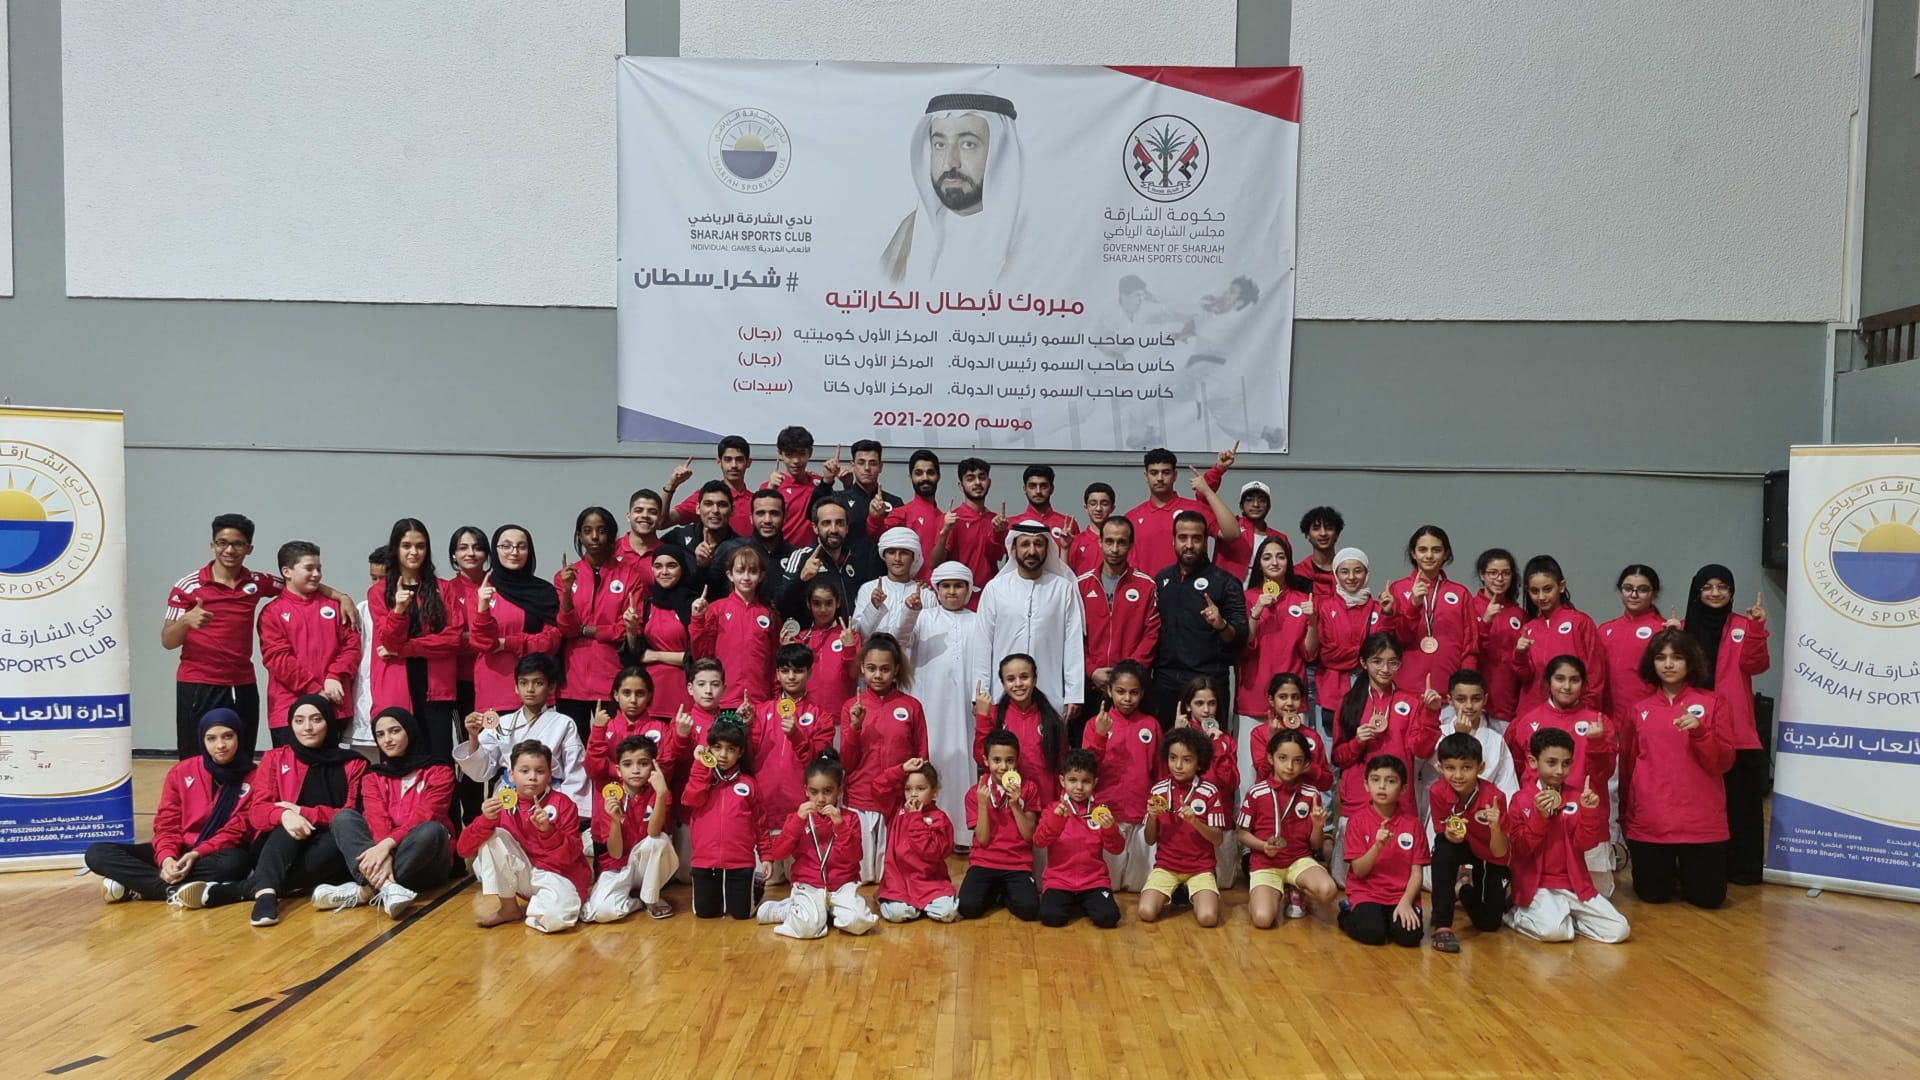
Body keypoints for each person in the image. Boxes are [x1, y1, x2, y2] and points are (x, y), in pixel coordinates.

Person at [165, 513, 352, 757]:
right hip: (199, 682)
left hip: (243, 682)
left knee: (243, 753)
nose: (229, 550)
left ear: (249, 548)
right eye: (222, 543)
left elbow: (299, 582)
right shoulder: (188, 586)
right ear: (212, 545)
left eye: (237, 544)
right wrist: (186, 621)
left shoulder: (257, 581)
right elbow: (167, 640)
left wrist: (342, 597)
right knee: (196, 755)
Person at [179, 696, 365, 927]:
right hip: (278, 845)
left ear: (329, 722)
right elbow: (257, 812)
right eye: (299, 720)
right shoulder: (275, 758)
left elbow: (352, 815)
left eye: (316, 719)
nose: (307, 727)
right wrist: (285, 815)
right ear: (291, 724)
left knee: (337, 841)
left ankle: (247, 889)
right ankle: (266, 896)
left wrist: (303, 812)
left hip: (326, 844)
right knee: (285, 825)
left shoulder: (354, 764)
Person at [87, 709, 257, 904]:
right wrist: (167, 858)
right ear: (202, 740)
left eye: (228, 736)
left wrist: (196, 854)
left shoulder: (255, 777)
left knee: (235, 863)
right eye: (211, 738)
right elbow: (167, 823)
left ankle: (141, 886)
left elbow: (237, 831)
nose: (220, 745)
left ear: (239, 737)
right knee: (97, 853)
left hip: (212, 854)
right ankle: (173, 890)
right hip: (177, 849)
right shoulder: (182, 771)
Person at [1621, 629, 1734, 908]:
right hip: (1652, 821)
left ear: (1690, 662)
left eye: (1677, 657)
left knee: (1709, 899)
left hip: (1701, 823)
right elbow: (1628, 767)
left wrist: (1701, 733)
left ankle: (1688, 874)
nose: (1668, 664)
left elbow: (1723, 763)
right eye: (1661, 657)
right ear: (1652, 663)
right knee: (1652, 895)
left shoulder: (1713, 703)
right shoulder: (1638, 710)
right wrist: (1627, 816)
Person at [314, 706, 454, 919]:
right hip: (386, 855)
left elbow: (426, 815)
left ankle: (364, 892)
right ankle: (388, 887)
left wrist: (386, 846)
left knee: (432, 830)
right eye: (380, 734)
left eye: (394, 731)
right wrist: (384, 851)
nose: (387, 739)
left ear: (410, 731)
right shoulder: (373, 776)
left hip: (426, 861)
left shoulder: (439, 771)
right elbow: (377, 818)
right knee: (344, 818)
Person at [1679, 564, 1771, 886]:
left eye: (1722, 587)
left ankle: (1743, 869)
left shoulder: (1744, 626)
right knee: (1698, 803)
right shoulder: (1683, 629)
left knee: (1742, 805)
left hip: (1737, 731)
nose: (1715, 593)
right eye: (1707, 587)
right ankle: (1698, 868)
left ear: (1731, 592)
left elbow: (1757, 665)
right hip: (1691, 729)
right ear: (1697, 592)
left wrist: (1758, 628)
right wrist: (1670, 637)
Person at [1331, 634, 1442, 883]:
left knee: (1396, 880)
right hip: (1358, 800)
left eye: (1393, 662)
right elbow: (1338, 757)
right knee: (1346, 881)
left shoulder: (1410, 702)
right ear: (1363, 662)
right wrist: (1357, 742)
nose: (1385, 669)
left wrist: (1431, 713)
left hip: (1398, 801)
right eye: (1377, 661)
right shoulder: (1349, 703)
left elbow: (1421, 750)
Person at [881, 90, 1024, 282]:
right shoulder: (911, 230)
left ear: (1001, 153)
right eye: (940, 145)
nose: (949, 163)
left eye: (968, 144)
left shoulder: (1028, 236)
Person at [1504, 728, 1631, 943]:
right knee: (1553, 933)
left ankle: (1569, 920)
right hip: (1538, 885)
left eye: (1566, 763)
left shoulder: (1577, 796)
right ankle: (1516, 916)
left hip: (1574, 884)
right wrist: (1540, 817)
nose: (1559, 771)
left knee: (1619, 930)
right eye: (1551, 763)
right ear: (1533, 762)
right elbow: (1521, 849)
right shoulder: (1521, 800)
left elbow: (1584, 844)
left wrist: (1589, 812)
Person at [1507, 655, 1619, 895]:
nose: (1566, 686)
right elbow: (1519, 770)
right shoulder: (1527, 721)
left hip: (1583, 820)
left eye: (1574, 680)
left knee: (1597, 895)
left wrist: (1597, 743)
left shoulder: (1599, 723)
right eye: (1560, 679)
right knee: (1540, 894)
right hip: (1540, 822)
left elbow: (1605, 772)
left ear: (1584, 684)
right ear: (1548, 681)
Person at [458, 739, 589, 933]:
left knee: (555, 921)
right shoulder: (502, 804)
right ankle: (509, 908)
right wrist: (485, 820)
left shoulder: (564, 804)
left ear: (550, 774)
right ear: (511, 774)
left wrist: (548, 831)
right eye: (524, 771)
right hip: (525, 874)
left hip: (559, 875)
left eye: (540, 771)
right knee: (494, 836)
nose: (532, 777)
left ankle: (548, 903)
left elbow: (572, 856)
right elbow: (463, 850)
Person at [367, 519, 468, 769]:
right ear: (395, 549)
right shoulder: (379, 592)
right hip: (396, 686)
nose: (414, 552)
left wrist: (405, 649)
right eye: (406, 546)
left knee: (439, 761)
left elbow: (453, 638)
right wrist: (399, 610)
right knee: (399, 761)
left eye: (420, 546)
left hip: (436, 687)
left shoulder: (444, 589)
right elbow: (388, 639)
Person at [898, 561, 982, 842]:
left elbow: (985, 662)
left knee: (962, 759)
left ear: (968, 590)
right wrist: (910, 612)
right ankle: (924, 828)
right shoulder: (924, 617)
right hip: (929, 705)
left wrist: (979, 698)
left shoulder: (977, 621)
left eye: (958, 586)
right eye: (946, 586)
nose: (952, 592)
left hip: (965, 708)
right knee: (930, 760)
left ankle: (962, 833)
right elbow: (900, 639)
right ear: (936, 589)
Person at [972, 523, 1086, 723]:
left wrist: (1074, 693)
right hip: (1001, 692)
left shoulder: (1063, 589)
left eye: (1038, 544)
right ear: (1014, 549)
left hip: (1050, 691)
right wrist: (979, 693)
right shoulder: (995, 589)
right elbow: (982, 644)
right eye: (1025, 544)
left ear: (1047, 549)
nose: (1032, 551)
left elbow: (1073, 643)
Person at [760, 748, 878, 937]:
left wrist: (840, 826)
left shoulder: (850, 818)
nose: (821, 799)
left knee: (859, 923)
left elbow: (855, 856)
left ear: (840, 790)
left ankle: (824, 911)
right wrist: (797, 822)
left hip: (842, 885)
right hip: (809, 884)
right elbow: (779, 853)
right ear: (806, 790)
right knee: (808, 929)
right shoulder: (797, 817)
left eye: (828, 791)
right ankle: (787, 909)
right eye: (814, 792)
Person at [455, 652, 588, 816]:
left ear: (551, 687)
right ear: (516, 687)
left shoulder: (564, 723)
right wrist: (473, 736)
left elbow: (575, 771)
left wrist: (569, 811)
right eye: (524, 683)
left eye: (538, 683)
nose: (530, 689)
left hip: (549, 798)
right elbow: (481, 770)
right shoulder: (502, 723)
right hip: (508, 797)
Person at [841, 634, 928, 883]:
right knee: (861, 878)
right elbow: (847, 763)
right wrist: (855, 727)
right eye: (871, 668)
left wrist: (917, 799)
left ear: (896, 669)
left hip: (898, 803)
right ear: (862, 668)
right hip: (860, 802)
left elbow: (922, 757)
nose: (877, 675)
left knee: (892, 877)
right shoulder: (851, 707)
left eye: (885, 669)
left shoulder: (912, 706)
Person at [748, 643, 839, 881]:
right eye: (785, 670)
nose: (791, 676)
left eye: (798, 671)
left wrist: (797, 735)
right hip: (766, 810)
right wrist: (743, 727)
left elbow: (820, 766)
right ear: (777, 674)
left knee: (802, 882)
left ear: (809, 672)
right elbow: (747, 756)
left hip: (801, 813)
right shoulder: (760, 712)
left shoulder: (821, 716)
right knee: (766, 885)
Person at [257, 540, 360, 749]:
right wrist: (315, 691)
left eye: (319, 568)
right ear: (287, 571)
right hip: (288, 709)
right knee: (292, 769)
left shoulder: (337, 606)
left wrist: (335, 675)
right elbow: (278, 659)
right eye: (309, 568)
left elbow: (352, 646)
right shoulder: (272, 613)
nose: (317, 574)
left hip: (333, 707)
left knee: (330, 768)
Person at [1148, 511, 1248, 727]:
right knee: (1165, 745)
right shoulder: (1161, 579)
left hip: (1208, 684)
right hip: (1165, 683)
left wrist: (1221, 625)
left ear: (1205, 542)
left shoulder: (1225, 582)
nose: (1189, 545)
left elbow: (1240, 636)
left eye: (1196, 538)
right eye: (1183, 538)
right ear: (1173, 540)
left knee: (1212, 746)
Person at [556, 506, 642, 742]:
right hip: (572, 682)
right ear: (579, 536)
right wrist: (566, 592)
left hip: (612, 678)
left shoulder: (630, 575)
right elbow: (566, 629)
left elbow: (630, 627)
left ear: (612, 535)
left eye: (601, 531)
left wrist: (587, 630)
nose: (594, 537)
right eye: (587, 531)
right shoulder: (565, 576)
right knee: (573, 751)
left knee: (615, 747)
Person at [1237, 728, 1336, 929]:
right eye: (1282, 758)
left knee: (1328, 890)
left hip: (1299, 861)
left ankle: (1296, 888)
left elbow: (1315, 844)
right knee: (1263, 919)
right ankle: (1266, 896)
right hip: (1266, 864)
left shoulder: (1311, 794)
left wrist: (1318, 826)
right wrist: (1263, 846)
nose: (1289, 766)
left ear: (1306, 764)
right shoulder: (1256, 793)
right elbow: (1241, 833)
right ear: (1271, 758)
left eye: (1297, 760)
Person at [1237, 534, 1316, 779]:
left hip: (1292, 700)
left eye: (1280, 557)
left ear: (1288, 562)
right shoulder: (1247, 598)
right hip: (1252, 697)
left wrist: (1313, 622)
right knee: (1249, 773)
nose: (1274, 562)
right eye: (1267, 557)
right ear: (1259, 563)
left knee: (1292, 771)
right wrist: (1256, 613)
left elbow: (1309, 653)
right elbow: (1243, 646)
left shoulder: (1302, 601)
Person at [1077, 515, 1161, 745]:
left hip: (1131, 691)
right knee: (1090, 752)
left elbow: (1152, 634)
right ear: (1100, 542)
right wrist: (1091, 670)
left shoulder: (1146, 586)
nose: (1114, 549)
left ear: (1131, 545)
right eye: (1109, 541)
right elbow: (1073, 637)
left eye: (1121, 542)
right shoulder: (1081, 585)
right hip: (1092, 686)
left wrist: (1126, 674)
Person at [1425, 733, 1511, 953]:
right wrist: (1450, 835)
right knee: (1443, 851)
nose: (1458, 775)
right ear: (1440, 767)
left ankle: (1462, 889)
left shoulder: (1495, 797)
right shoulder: (1437, 791)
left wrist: (1495, 828)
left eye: (1466, 767)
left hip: (1489, 852)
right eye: (1450, 768)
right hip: (1459, 844)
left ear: (1480, 767)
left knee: (1489, 924)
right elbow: (1443, 831)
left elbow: (1500, 852)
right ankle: (1442, 924)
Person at [681, 717, 772, 920]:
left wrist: (766, 856)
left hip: (740, 862)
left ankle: (755, 886)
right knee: (705, 913)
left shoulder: (749, 784)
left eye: (731, 749)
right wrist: (700, 765)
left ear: (740, 752)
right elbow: (690, 799)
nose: (723, 754)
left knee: (742, 914)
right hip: (705, 862)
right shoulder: (702, 778)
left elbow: (760, 823)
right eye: (717, 747)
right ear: (709, 749)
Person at [1083, 661, 1163, 892]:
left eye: (1134, 692)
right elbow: (1085, 769)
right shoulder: (1095, 724)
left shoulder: (1151, 725)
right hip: (1107, 815)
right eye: (1120, 691)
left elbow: (1159, 772)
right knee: (1109, 885)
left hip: (1141, 814)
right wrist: (1100, 736)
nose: (1127, 698)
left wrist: (1157, 809)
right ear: (1109, 691)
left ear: (1142, 693)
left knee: (1139, 886)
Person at [583, 735, 678, 922]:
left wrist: (661, 794)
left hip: (646, 867)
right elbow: (615, 853)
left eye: (643, 763)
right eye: (628, 764)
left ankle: (651, 899)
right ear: (618, 770)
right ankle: (637, 902)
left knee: (659, 841)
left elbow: (653, 833)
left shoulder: (660, 793)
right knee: (601, 912)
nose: (635, 770)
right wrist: (615, 820)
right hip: (617, 867)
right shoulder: (609, 797)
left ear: (654, 767)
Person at [1138, 728, 1228, 927]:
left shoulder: (1209, 791)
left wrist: (1195, 822)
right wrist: (1152, 817)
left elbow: (1218, 839)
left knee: (1208, 918)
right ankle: (1179, 890)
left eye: (1187, 760)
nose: (1178, 766)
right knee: (1146, 912)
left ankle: (1189, 892)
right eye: (1173, 758)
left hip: (1200, 868)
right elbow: (1149, 840)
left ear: (1199, 763)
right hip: (1166, 866)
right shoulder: (1158, 790)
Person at [469, 525, 563, 715]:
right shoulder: (483, 591)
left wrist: (506, 643)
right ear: (495, 550)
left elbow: (551, 641)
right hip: (494, 690)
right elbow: (483, 643)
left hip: (536, 690)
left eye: (521, 546)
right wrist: (483, 607)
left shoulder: (544, 592)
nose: (514, 552)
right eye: (506, 546)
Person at [1338, 754, 1427, 947]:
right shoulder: (1357, 821)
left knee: (1409, 937)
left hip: (1400, 895)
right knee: (1372, 934)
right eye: (1375, 779)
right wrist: (1377, 847)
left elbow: (1416, 873)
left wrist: (1406, 902)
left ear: (1403, 788)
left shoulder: (1413, 825)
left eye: (1391, 781)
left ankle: (1388, 919)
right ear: (1366, 785)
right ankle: (1346, 912)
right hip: (1367, 893)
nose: (1382, 786)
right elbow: (1359, 871)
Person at [1383, 526, 1479, 701]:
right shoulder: (1398, 589)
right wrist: (1413, 605)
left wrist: (1465, 690)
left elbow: (1469, 647)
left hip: (1449, 694)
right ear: (1413, 553)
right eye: (1422, 550)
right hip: (1405, 692)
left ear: (1446, 554)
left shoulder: (1461, 593)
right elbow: (1397, 641)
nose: (1429, 555)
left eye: (1436, 550)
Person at [1034, 749, 1125, 928]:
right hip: (1059, 880)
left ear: (1095, 782)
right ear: (1062, 781)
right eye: (1073, 780)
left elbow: (1117, 849)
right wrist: (1056, 821)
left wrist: (1110, 829)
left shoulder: (1100, 812)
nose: (1079, 787)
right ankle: (1076, 903)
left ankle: (1083, 903)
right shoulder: (1053, 809)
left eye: (1086, 781)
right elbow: (1039, 841)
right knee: (1051, 917)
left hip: (1094, 881)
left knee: (1108, 918)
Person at [958, 730, 1040, 921]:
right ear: (986, 761)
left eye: (1009, 760)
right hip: (984, 862)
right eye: (997, 760)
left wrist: (1015, 805)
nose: (1003, 766)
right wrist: (982, 804)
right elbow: (983, 840)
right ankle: (997, 890)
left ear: (1017, 760)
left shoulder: (1029, 788)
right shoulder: (975, 793)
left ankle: (1003, 892)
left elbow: (1028, 835)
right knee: (968, 908)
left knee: (1030, 910)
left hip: (1017, 864)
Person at [1122, 448, 1241, 579]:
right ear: (1146, 476)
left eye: (1166, 472)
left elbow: (1232, 533)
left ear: (1175, 475)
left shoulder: (1195, 510)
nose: (1160, 478)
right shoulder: (1131, 518)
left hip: (1191, 588)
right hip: (1147, 590)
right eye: (1154, 473)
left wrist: (1207, 491)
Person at [689, 544, 781, 709]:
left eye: (752, 571)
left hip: (759, 700)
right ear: (730, 575)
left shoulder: (769, 613)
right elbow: (701, 655)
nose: (746, 577)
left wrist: (775, 697)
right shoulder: (716, 609)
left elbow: (774, 661)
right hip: (724, 701)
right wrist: (698, 619)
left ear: (761, 576)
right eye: (740, 571)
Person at [973, 653, 1066, 813]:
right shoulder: (994, 715)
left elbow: (1062, 764)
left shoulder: (1050, 719)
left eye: (1024, 677)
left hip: (1045, 801)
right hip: (1008, 802)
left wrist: (1061, 799)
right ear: (1003, 683)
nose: (1018, 684)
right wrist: (982, 718)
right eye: (1010, 679)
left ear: (1035, 679)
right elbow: (981, 758)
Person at [1513, 554, 1606, 713]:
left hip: (1573, 713)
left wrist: (1587, 711)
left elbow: (1594, 672)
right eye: (1535, 591)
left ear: (1561, 586)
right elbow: (1525, 677)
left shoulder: (1580, 622)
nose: (1541, 597)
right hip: (1533, 712)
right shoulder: (1529, 629)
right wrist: (1519, 655)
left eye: (1548, 589)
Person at [622, 544, 699, 726]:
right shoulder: (647, 605)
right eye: (658, 566)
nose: (664, 572)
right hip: (650, 694)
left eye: (671, 566)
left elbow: (699, 656)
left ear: (682, 568)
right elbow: (635, 655)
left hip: (684, 689)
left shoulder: (695, 605)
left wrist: (655, 655)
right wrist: (631, 631)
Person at [875, 758, 959, 924]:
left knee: (948, 912)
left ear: (934, 791)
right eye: (908, 789)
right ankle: (889, 900)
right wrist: (901, 768)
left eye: (921, 788)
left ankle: (919, 906)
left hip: (930, 883)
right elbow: (878, 787)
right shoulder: (896, 810)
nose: (913, 794)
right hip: (898, 884)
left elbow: (932, 852)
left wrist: (915, 818)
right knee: (897, 914)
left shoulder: (940, 818)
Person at [779, 497, 882, 624]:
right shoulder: (802, 557)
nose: (834, 529)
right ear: (815, 527)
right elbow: (780, 604)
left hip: (849, 634)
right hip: (811, 635)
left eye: (840, 523)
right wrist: (801, 580)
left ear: (847, 527)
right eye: (826, 523)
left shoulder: (855, 560)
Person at [1313, 547, 1384, 727]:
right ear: (1336, 575)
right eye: (1344, 572)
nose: (1351, 577)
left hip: (1371, 690)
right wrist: (1364, 654)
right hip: (1332, 692)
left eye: (1358, 571)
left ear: (1367, 574)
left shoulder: (1379, 610)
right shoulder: (1325, 608)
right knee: (1329, 744)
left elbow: (1382, 654)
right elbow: (1328, 655)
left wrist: (1347, 653)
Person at [586, 669, 684, 788]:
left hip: (649, 796)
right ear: (616, 695)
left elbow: (665, 769)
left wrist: (620, 771)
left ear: (649, 696)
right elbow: (593, 771)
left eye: (640, 693)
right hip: (610, 795)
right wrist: (597, 731)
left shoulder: (661, 728)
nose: (633, 700)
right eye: (626, 693)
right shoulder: (604, 728)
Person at [1432, 670, 1518, 798]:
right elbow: (1438, 775)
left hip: (1486, 807)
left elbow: (1507, 786)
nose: (1469, 706)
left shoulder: (1496, 740)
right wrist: (1460, 737)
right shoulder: (1439, 734)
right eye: (1461, 699)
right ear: (1450, 700)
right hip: (1445, 805)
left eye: (1476, 699)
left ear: (1485, 699)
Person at [931, 457, 1008, 599]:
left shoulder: (997, 521)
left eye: (982, 477)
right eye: (970, 478)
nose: (977, 482)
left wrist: (999, 533)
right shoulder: (951, 519)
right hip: (958, 598)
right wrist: (944, 532)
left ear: (989, 483)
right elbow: (935, 563)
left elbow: (997, 558)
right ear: (961, 485)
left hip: (989, 596)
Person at [1599, 564, 1667, 722]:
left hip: (1648, 716)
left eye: (1642, 589)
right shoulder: (1605, 629)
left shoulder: (1663, 629)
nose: (1634, 595)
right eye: (1628, 588)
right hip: (1608, 716)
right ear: (1620, 590)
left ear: (1654, 593)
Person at [865, 450, 944, 580]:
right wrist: (875, 517)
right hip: (909, 588)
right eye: (918, 473)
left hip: (940, 590)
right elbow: (877, 535)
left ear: (938, 477)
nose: (925, 478)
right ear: (910, 477)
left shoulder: (945, 518)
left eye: (930, 472)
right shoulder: (902, 513)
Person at [788, 578, 861, 715]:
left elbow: (853, 674)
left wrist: (849, 648)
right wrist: (785, 651)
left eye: (828, 603)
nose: (823, 609)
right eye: (817, 603)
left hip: (839, 715)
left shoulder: (850, 636)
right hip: (806, 715)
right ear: (808, 604)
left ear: (837, 603)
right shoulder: (799, 638)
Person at [1251, 673, 1333, 794]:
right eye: (1283, 697)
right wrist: (1273, 741)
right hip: (1270, 799)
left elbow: (1326, 783)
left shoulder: (1312, 736)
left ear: (1302, 700)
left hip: (1303, 801)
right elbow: (1263, 776)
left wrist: (1309, 768)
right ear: (1271, 700)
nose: (1289, 702)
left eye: (1295, 697)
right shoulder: (1260, 733)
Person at [713, 489, 795, 606]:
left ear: (785, 517)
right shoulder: (730, 550)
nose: (767, 520)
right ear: (751, 518)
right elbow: (712, 596)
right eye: (760, 513)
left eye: (774, 513)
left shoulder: (796, 556)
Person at [1471, 548, 1525, 725]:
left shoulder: (1518, 614)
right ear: (1482, 575)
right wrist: (1485, 621)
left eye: (1506, 573)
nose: (1499, 579)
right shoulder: (1469, 606)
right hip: (1473, 701)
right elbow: (1468, 651)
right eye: (1493, 573)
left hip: (1506, 702)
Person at [661, 435, 754, 536]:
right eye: (728, 459)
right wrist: (671, 486)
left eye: (739, 459)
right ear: (719, 462)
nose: (734, 465)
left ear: (748, 462)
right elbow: (661, 523)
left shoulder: (757, 502)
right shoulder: (705, 498)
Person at [767, 426, 844, 548]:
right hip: (782, 554)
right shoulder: (771, 486)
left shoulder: (821, 483)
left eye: (801, 454)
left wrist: (839, 482)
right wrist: (770, 491)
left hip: (815, 554)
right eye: (789, 455)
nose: (796, 460)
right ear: (780, 454)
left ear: (810, 453)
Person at [661, 480, 741, 596]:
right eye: (708, 504)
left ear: (732, 510)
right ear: (698, 508)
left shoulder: (741, 547)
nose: (715, 510)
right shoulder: (678, 537)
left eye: (722, 505)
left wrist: (704, 567)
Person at [445, 525, 490, 724]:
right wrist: (487, 640)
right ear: (454, 555)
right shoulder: (446, 590)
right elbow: (449, 638)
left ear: (486, 553)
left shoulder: (500, 586)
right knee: (469, 736)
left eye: (477, 548)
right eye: (463, 548)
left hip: (499, 675)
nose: (470, 553)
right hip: (462, 679)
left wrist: (469, 636)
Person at [852, 526, 925, 641]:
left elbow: (927, 638)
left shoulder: (925, 594)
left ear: (913, 557)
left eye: (904, 553)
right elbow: (858, 635)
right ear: (884, 556)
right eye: (891, 552)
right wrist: (873, 607)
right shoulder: (868, 589)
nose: (897, 558)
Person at [829, 439, 903, 539]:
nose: (867, 468)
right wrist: (827, 481)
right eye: (861, 463)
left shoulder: (895, 503)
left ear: (880, 467)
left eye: (873, 463)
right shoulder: (838, 499)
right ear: (853, 466)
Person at [350, 546, 386, 749]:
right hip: (366, 696)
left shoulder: (413, 608)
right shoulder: (361, 610)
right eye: (374, 578)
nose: (378, 585)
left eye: (384, 578)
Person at [1009, 464, 1077, 549]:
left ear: (1052, 488)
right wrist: (998, 533)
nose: (1038, 491)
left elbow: (1077, 557)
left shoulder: (1068, 525)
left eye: (1043, 486)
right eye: (1032, 486)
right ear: (1024, 489)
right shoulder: (1012, 525)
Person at [612, 487, 667, 584]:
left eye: (652, 512)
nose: (645, 515)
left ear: (660, 519)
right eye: (638, 510)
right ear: (628, 516)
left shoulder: (667, 555)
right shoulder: (611, 550)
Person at [1065, 481, 1116, 576]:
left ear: (1112, 508)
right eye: (1093, 504)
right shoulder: (1074, 541)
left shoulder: (1119, 542)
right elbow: (1064, 576)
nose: (1098, 509)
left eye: (1104, 504)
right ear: (1086, 507)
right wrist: (1065, 548)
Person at [1293, 506, 1344, 595]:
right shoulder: (1297, 574)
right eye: (1316, 528)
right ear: (1307, 535)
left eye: (1329, 528)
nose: (1323, 533)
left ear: (1337, 534)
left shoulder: (1347, 572)